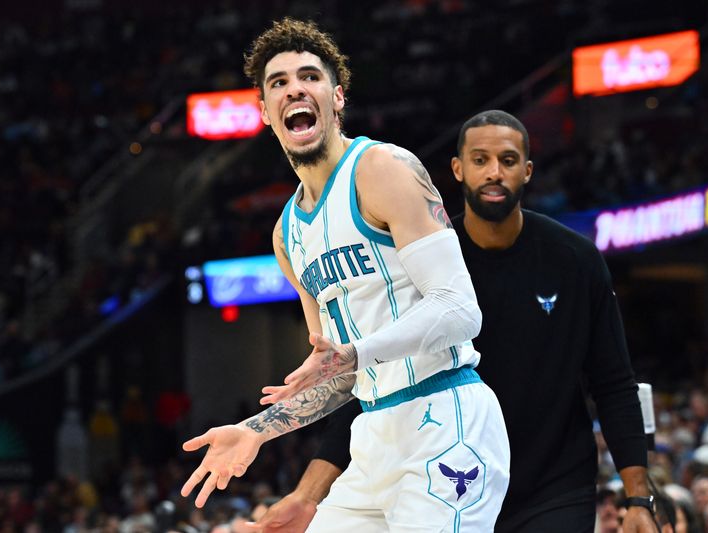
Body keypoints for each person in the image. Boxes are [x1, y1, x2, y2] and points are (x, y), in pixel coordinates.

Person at [255, 110, 658, 532]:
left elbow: (614, 383)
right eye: (480, 160)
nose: (494, 173)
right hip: (449, 463)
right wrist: (306, 494)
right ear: (457, 169)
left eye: (508, 160)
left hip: (554, 486)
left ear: (528, 171)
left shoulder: (575, 259)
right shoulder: (420, 259)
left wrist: (637, 498)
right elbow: (365, 382)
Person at [179, 19, 510, 532]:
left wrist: (356, 353)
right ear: (265, 112)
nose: (294, 88)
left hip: (446, 419)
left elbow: (460, 309)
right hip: (372, 436)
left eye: (309, 77)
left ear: (336, 98)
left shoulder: (382, 169)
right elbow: (337, 373)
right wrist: (254, 431)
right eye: (278, 82)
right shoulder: (287, 234)